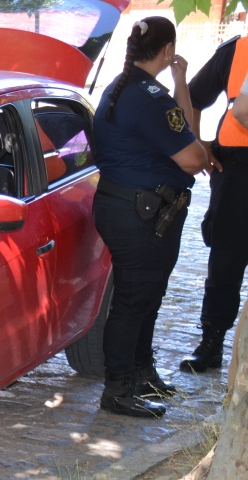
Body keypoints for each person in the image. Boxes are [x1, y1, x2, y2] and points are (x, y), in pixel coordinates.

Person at [92, 17, 208, 418]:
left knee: (146, 295)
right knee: (133, 300)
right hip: (140, 211)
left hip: (130, 206)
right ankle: (119, 388)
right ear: (167, 51)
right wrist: (181, 82)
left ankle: (141, 373)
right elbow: (194, 157)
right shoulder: (150, 97)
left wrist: (179, 83)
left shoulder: (123, 87)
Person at [180, 36, 248, 373]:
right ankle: (211, 342)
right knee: (225, 258)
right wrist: (198, 143)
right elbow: (194, 96)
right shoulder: (238, 49)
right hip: (236, 168)